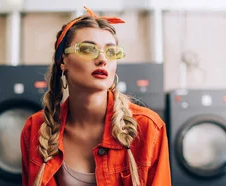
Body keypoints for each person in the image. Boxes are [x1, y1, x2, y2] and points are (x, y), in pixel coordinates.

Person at [20, 6, 171, 186]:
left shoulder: (147, 128)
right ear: (63, 62)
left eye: (111, 52)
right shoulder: (36, 129)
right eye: (87, 49)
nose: (102, 59)